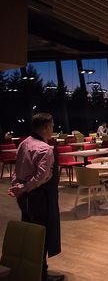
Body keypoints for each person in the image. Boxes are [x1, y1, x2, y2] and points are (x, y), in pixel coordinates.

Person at [7, 113, 64, 281]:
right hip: (40, 197)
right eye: (52, 127)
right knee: (41, 235)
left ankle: (30, 270)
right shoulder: (45, 149)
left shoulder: (23, 144)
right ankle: (41, 275)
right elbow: (41, 177)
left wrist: (18, 186)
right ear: (47, 128)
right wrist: (23, 188)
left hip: (24, 198)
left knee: (30, 233)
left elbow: (17, 170)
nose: (52, 130)